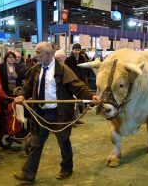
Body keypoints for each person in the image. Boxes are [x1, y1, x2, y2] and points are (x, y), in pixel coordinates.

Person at [13, 42, 99, 183]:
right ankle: (28, 174)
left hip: (59, 114)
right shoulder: (36, 70)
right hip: (41, 113)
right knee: (36, 144)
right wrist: (22, 94)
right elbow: (27, 86)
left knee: (63, 142)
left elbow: (78, 87)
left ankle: (67, 168)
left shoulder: (63, 70)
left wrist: (91, 96)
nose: (36, 55)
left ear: (47, 54)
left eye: (38, 52)